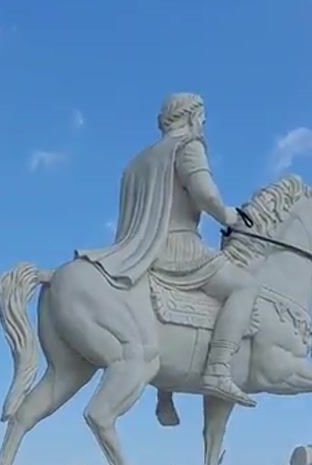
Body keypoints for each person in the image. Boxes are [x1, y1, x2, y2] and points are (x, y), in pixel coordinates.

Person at [78, 92, 259, 407]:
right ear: (192, 117)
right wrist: (229, 216)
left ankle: (166, 392)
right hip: (179, 249)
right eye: (202, 118)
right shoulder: (188, 146)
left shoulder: (136, 163)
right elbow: (206, 194)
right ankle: (218, 369)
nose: (203, 125)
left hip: (137, 251)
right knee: (245, 286)